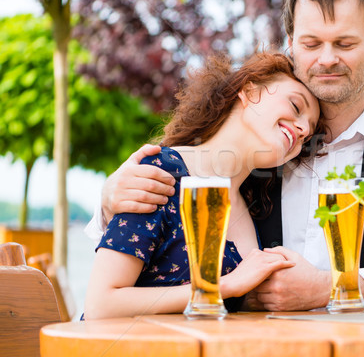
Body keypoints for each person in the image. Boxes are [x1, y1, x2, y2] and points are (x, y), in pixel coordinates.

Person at [86, 0, 364, 312]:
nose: (327, 58)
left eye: (345, 44)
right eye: (312, 44)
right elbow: (170, 203)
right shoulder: (262, 153)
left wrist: (335, 286)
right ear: (292, 44)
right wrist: (108, 201)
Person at [83, 51, 321, 319]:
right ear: (249, 91)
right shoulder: (162, 171)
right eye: (296, 107)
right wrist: (223, 287)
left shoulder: (255, 209)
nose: (302, 130)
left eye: (309, 132)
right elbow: (99, 306)